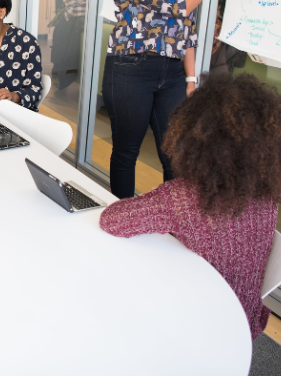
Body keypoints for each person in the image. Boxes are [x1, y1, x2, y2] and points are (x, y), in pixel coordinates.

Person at [100, 73, 281, 340]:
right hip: (245, 322)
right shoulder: (265, 196)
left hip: (196, 327)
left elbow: (111, 220)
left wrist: (157, 198)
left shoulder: (182, 197)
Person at [103, 0, 237, 198]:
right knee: (127, 151)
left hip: (173, 71)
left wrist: (190, 78)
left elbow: (185, 26)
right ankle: (121, 216)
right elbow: (179, 5)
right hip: (131, 69)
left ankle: (174, 224)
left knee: (175, 155)